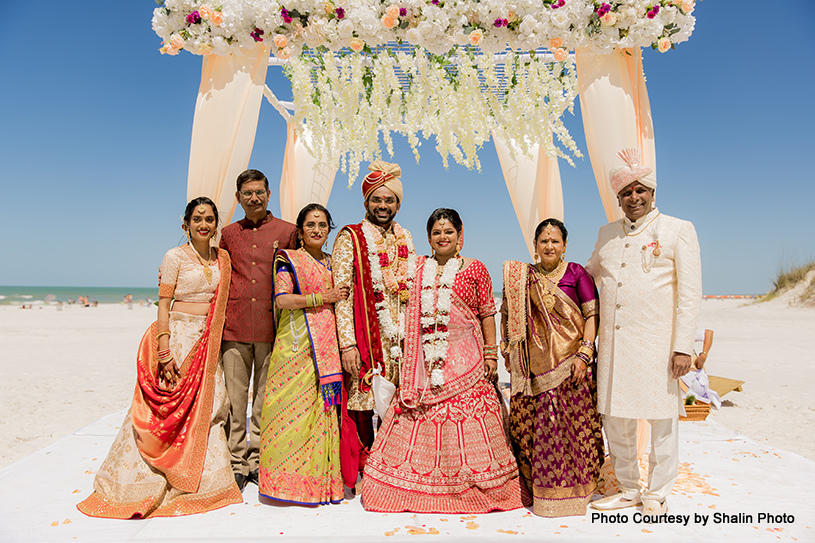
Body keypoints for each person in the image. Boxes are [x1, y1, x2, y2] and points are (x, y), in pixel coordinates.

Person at [77, 197, 242, 518]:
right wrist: (164, 347)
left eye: (209, 219)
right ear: (186, 224)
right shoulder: (174, 257)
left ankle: (206, 480)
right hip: (179, 339)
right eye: (197, 219)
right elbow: (163, 304)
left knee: (209, 408)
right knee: (167, 409)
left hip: (208, 343)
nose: (204, 224)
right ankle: (151, 476)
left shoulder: (223, 258)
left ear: (215, 225)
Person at [361, 208, 525, 513]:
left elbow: (487, 311)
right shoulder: (417, 267)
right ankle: (413, 483)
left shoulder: (475, 268)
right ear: (428, 238)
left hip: (469, 359)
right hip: (425, 365)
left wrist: (491, 352)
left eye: (448, 231)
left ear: (460, 235)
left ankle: (478, 481)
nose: (442, 237)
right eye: (436, 232)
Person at [586, 148, 702, 515]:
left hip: (658, 346)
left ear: (652, 192)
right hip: (615, 346)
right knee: (616, 419)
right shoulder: (606, 233)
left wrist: (683, 346)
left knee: (661, 421)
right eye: (626, 193)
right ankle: (628, 488)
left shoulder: (677, 229)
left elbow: (690, 293)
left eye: (640, 191)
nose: (634, 198)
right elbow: (587, 276)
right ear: (618, 198)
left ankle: (657, 492)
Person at [501, 218, 605, 517]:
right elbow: (507, 315)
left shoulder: (576, 273)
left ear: (565, 245)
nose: (549, 246)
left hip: (572, 365)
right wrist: (508, 350)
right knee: (535, 430)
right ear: (535, 246)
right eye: (543, 241)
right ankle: (538, 491)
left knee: (574, 430)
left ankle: (578, 490)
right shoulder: (520, 277)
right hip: (532, 371)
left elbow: (591, 316)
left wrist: (585, 354)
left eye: (555, 241)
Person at [332, 160, 417, 488]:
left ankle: (395, 460)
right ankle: (367, 467)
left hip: (402, 339)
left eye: (389, 200)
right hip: (366, 337)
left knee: (399, 401)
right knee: (364, 403)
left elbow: (411, 284)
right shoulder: (349, 238)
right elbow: (342, 295)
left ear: (398, 203)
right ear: (365, 202)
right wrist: (347, 344)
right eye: (376, 200)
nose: (383, 206)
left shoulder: (405, 236)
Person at [258, 204, 350, 505]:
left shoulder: (333, 263)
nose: (317, 230)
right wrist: (322, 298)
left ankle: (320, 481)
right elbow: (282, 300)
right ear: (299, 230)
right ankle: (282, 482)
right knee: (287, 409)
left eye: (323, 224)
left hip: (326, 346)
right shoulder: (290, 260)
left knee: (322, 412)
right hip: (295, 345)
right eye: (310, 224)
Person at [219, 169, 297, 491]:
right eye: (247, 193)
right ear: (238, 198)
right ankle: (237, 462)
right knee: (236, 402)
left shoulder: (288, 231)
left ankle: (258, 458)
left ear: (268, 195)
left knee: (264, 401)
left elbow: (300, 269)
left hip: (272, 326)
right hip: (234, 327)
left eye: (259, 192)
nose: (254, 198)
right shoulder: (227, 233)